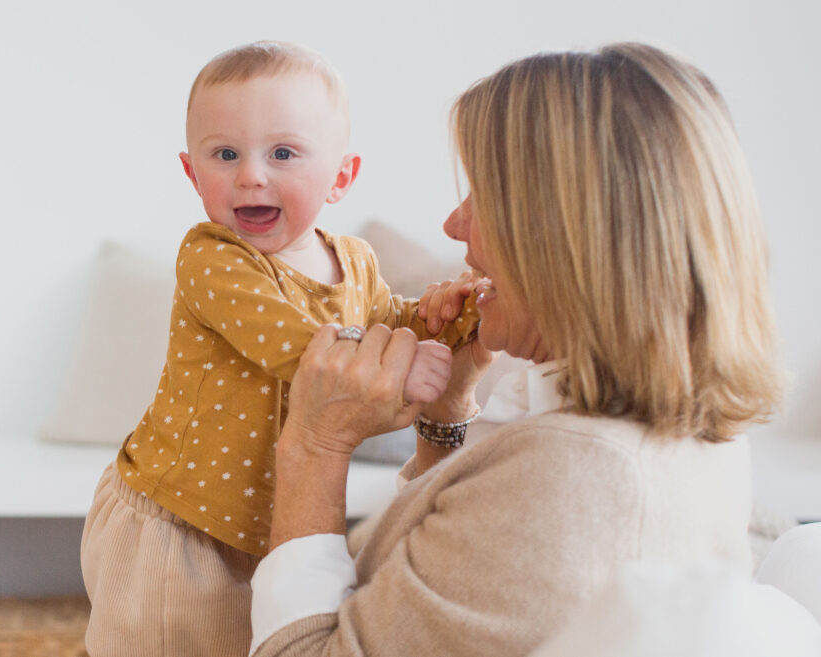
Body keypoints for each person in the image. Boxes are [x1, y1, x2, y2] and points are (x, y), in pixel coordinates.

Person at [248, 42, 785, 657]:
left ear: (568, 231)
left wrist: (315, 444)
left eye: (484, 196)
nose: (455, 224)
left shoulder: (577, 483)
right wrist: (446, 413)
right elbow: (440, 581)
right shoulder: (668, 431)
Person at [79, 41, 481, 657]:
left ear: (341, 176)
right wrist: (402, 371)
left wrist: (443, 320)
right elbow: (297, 347)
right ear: (193, 174)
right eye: (226, 154)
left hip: (271, 531)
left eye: (283, 153)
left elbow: (388, 319)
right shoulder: (212, 257)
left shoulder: (354, 261)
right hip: (177, 527)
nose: (251, 174)